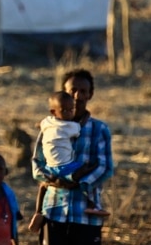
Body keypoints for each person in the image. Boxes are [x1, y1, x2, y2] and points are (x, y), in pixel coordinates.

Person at [31, 69, 115, 245]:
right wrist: (52, 179)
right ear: (63, 94)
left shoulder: (99, 130)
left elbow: (105, 167)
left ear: (91, 94)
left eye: (83, 91)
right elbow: (37, 163)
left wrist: (78, 180)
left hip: (85, 216)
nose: (78, 96)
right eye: (72, 91)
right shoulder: (49, 127)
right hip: (53, 213)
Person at [33, 90, 106, 218]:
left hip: (50, 168)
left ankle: (38, 212)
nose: (69, 113)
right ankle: (91, 203)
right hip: (64, 166)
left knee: (43, 186)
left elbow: (40, 124)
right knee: (83, 171)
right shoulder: (70, 126)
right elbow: (81, 127)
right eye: (65, 111)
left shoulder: (47, 122)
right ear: (54, 111)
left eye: (70, 110)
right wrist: (86, 117)